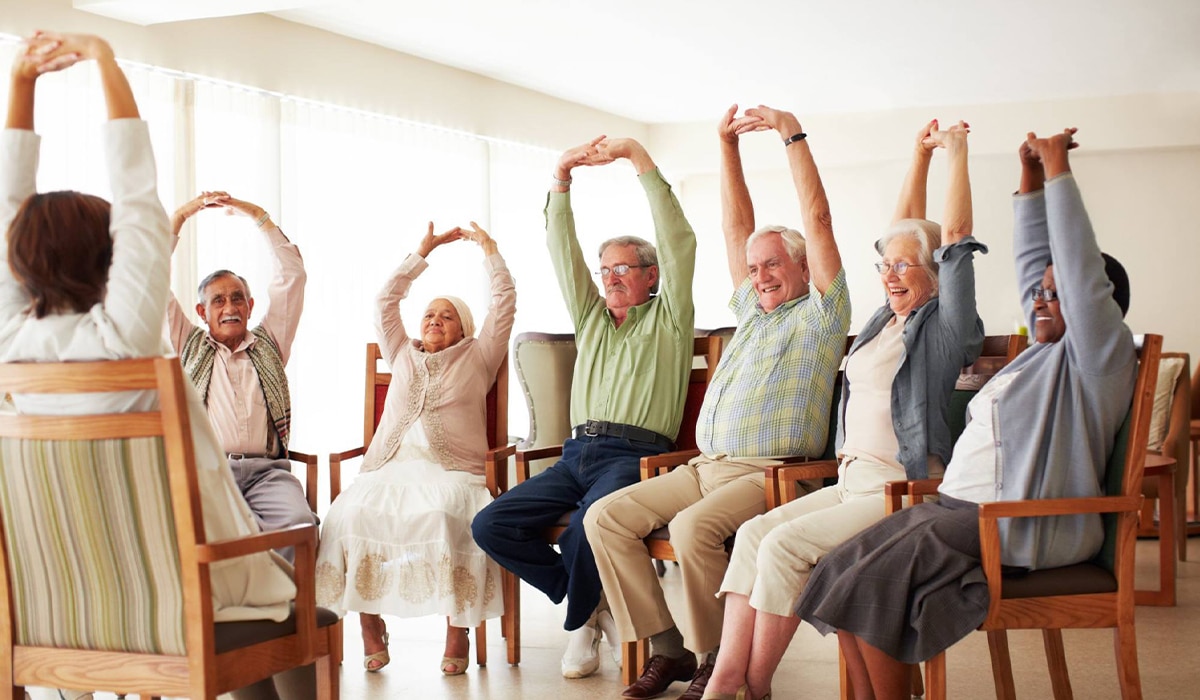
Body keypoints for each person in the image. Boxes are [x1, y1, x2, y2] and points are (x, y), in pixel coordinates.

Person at [0, 31, 303, 700]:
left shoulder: (9, 346)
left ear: (16, 264)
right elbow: (137, 197)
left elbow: (12, 207)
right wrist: (106, 62)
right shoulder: (126, 335)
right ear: (112, 262)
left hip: (56, 603)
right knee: (285, 595)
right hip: (173, 597)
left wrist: (20, 82)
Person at [795, 128, 1136, 700]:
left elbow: (1073, 266)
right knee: (840, 569)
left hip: (1014, 521)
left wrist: (1057, 171)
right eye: (1040, 292)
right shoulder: (1039, 357)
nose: (1041, 300)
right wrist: (1027, 181)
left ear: (1095, 304)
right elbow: (1038, 266)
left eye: (1059, 294)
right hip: (963, 509)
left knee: (874, 583)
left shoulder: (1098, 358)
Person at [702, 118, 986, 700]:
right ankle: (728, 678)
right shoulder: (885, 321)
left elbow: (951, 236)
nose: (890, 275)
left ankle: (748, 687)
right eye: (886, 266)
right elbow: (903, 235)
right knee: (756, 534)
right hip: (852, 479)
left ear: (935, 274)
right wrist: (917, 154)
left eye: (906, 267)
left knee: (784, 546)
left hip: (898, 488)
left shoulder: (944, 328)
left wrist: (956, 152)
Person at [583, 104, 851, 700]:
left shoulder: (823, 316)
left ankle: (714, 660)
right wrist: (725, 145)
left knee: (692, 528)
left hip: (773, 474)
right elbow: (736, 229)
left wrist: (790, 135)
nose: (759, 275)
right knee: (606, 518)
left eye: (773, 264)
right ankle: (669, 649)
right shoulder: (752, 312)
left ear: (804, 266)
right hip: (705, 466)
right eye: (755, 268)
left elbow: (820, 217)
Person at [472, 136, 696, 679]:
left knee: (585, 531)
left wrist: (639, 159)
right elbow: (560, 250)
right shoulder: (592, 319)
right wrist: (561, 176)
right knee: (490, 524)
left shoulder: (670, 319)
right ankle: (591, 607)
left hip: (633, 456)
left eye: (624, 268)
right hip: (576, 455)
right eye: (605, 270)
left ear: (652, 276)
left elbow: (678, 239)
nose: (611, 277)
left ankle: (579, 626)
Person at [315, 221, 515, 676]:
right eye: (429, 314)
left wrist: (489, 250)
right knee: (347, 516)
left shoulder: (479, 356)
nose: (434, 321)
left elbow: (504, 305)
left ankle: (456, 632)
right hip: (387, 468)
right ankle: (370, 627)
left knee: (444, 518)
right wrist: (421, 253)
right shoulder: (401, 351)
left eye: (446, 316)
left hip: (453, 474)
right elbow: (385, 301)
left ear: (464, 328)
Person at [167, 188, 315, 561]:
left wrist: (257, 214)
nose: (229, 306)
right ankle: (233, 614)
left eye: (237, 298)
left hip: (268, 472)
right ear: (202, 313)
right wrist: (182, 216)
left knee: (300, 524)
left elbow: (292, 275)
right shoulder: (188, 344)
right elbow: (149, 282)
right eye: (218, 300)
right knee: (205, 532)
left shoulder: (270, 343)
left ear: (249, 306)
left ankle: (285, 614)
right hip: (210, 472)